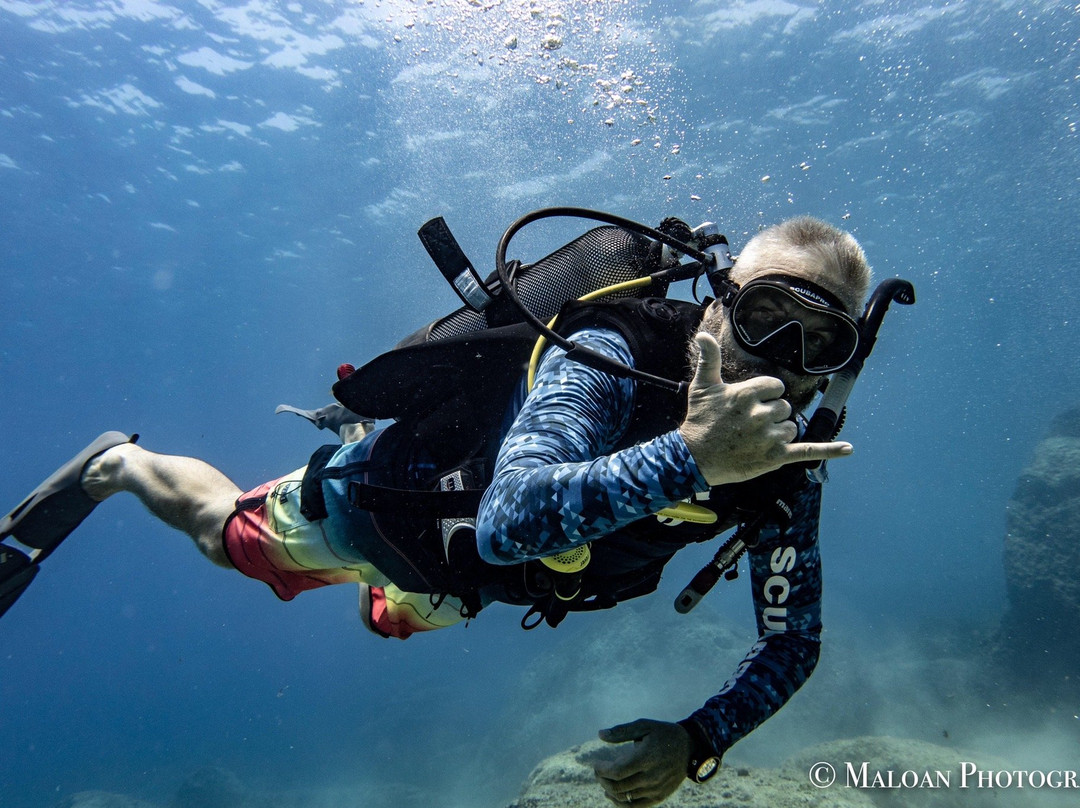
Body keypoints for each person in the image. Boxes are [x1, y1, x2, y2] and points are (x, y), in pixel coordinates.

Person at [1, 215, 871, 807]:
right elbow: (510, 517)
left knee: (391, 620)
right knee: (223, 537)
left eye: (820, 342)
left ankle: (385, 598)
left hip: (474, 585)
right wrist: (693, 458)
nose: (783, 364)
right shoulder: (616, 349)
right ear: (719, 301)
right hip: (380, 507)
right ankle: (119, 463)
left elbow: (792, 637)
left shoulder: (782, 466)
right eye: (766, 319)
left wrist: (697, 739)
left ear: (842, 361)